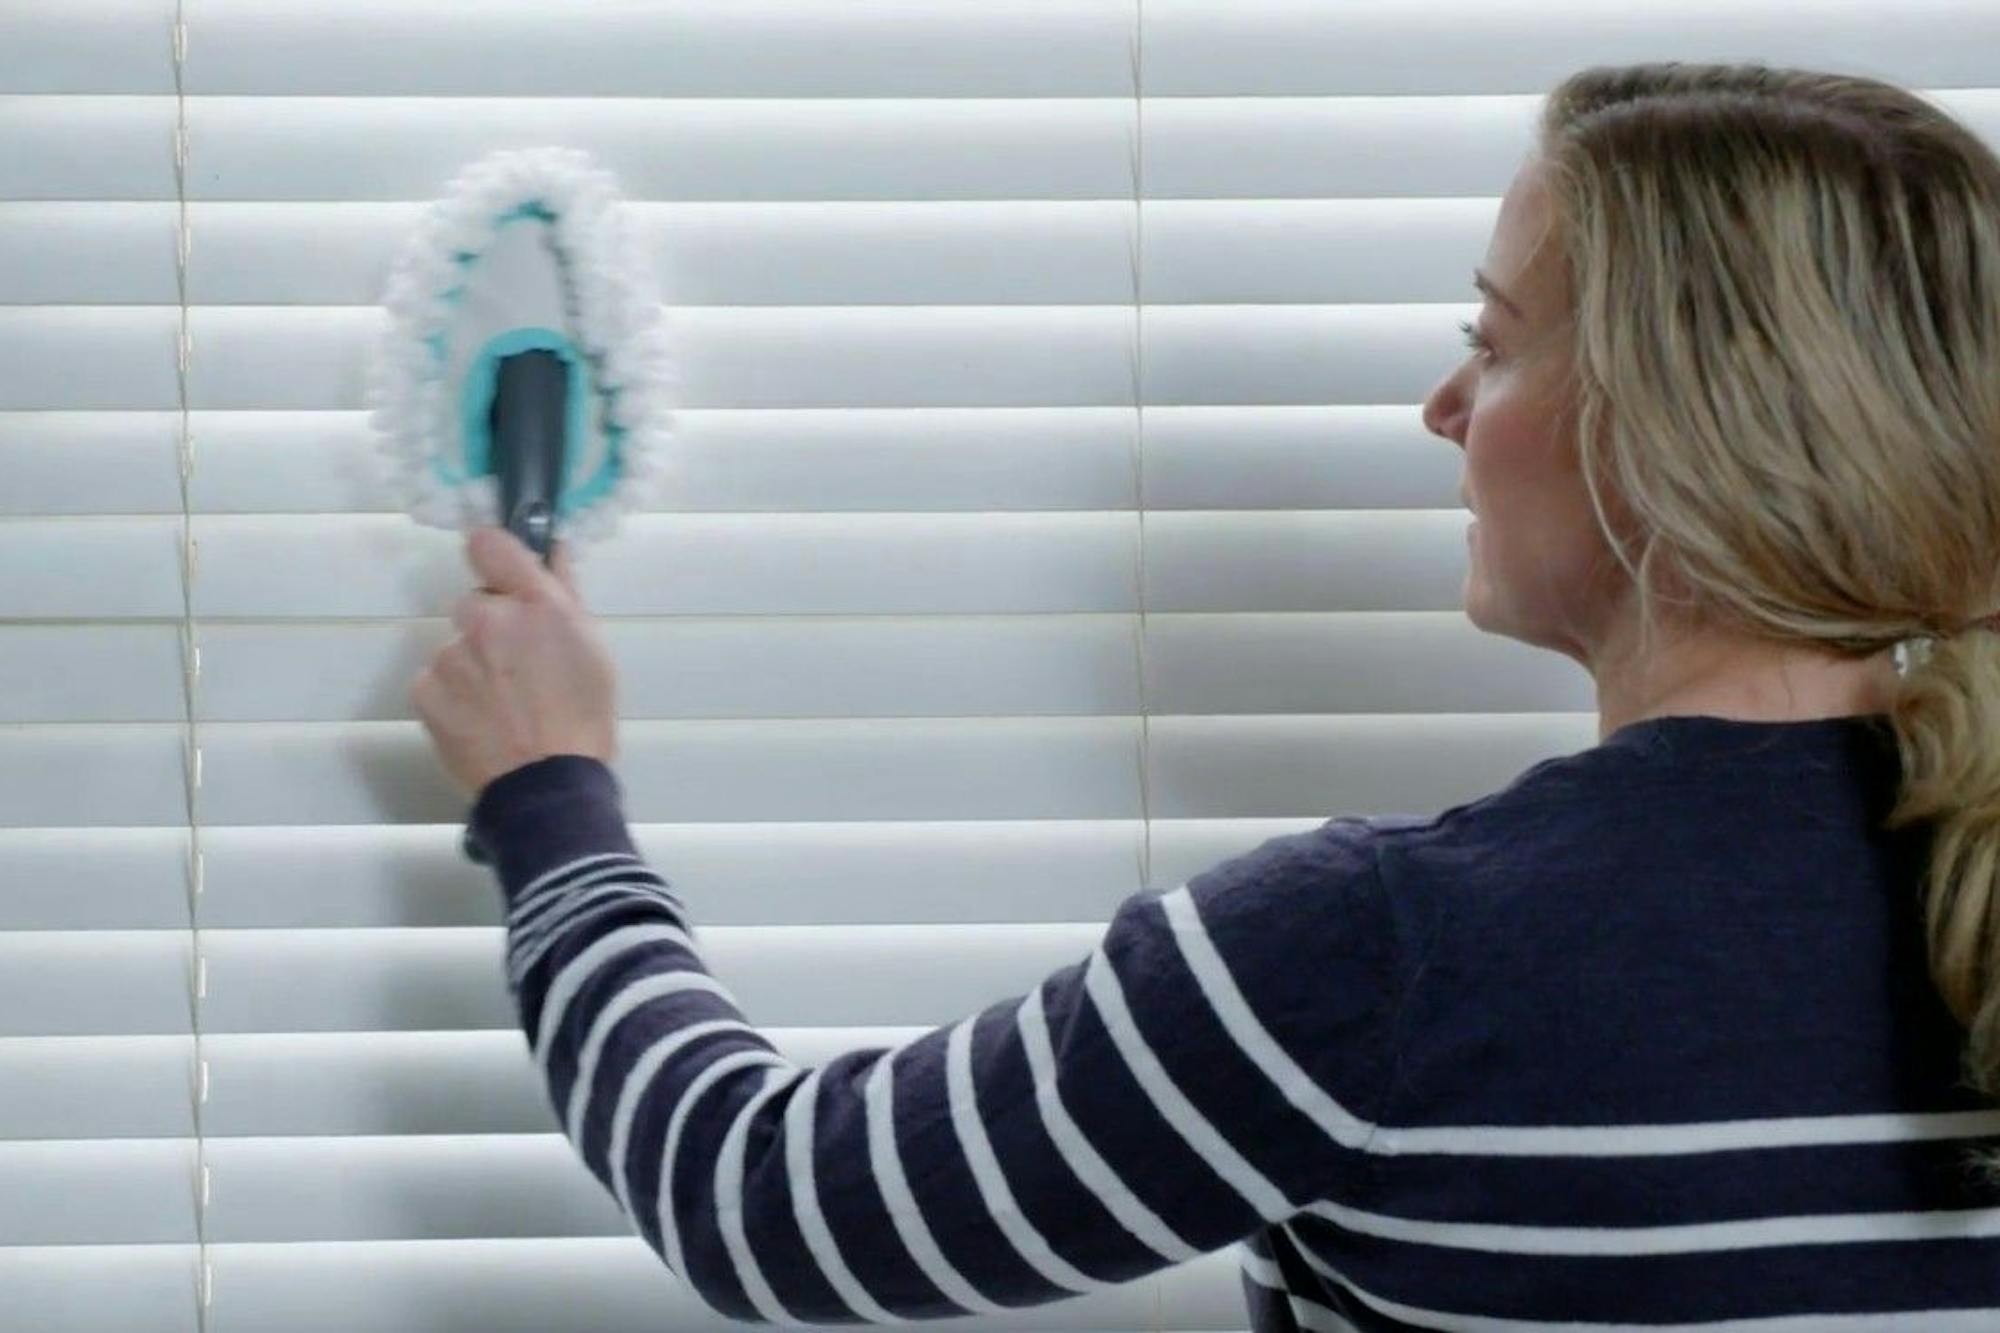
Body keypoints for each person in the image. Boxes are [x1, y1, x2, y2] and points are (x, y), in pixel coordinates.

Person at [410, 59, 2000, 1331]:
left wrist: (549, 793)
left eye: (1497, 345)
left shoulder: (1386, 954)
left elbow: (766, 1207)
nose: (1443, 405)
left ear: (1675, 425)